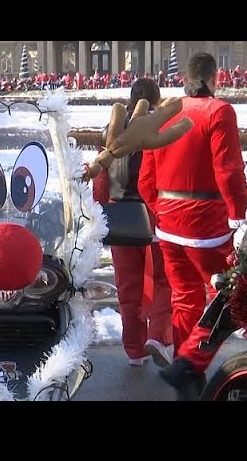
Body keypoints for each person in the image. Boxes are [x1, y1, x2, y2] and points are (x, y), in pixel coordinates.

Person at [137, 53, 247, 400]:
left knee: (185, 300)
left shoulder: (166, 113)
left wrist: (163, 210)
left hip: (169, 225)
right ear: (214, 78)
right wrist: (239, 214)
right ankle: (189, 364)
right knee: (228, 297)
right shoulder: (219, 111)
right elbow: (227, 169)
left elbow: (146, 179)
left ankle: (187, 376)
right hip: (206, 226)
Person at [93, 78, 173, 367]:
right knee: (161, 281)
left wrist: (103, 208)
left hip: (119, 215)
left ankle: (134, 350)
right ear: (157, 100)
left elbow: (101, 179)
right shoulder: (159, 130)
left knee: (128, 287)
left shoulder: (111, 130)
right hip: (152, 215)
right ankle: (158, 336)